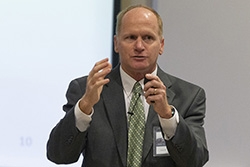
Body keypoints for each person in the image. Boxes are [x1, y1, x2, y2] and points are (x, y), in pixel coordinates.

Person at [47, 4, 209, 167]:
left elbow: (195, 161)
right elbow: (59, 155)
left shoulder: (189, 97)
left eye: (148, 38)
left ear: (161, 45)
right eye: (131, 37)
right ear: (116, 44)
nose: (139, 46)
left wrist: (168, 115)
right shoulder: (85, 90)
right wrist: (85, 107)